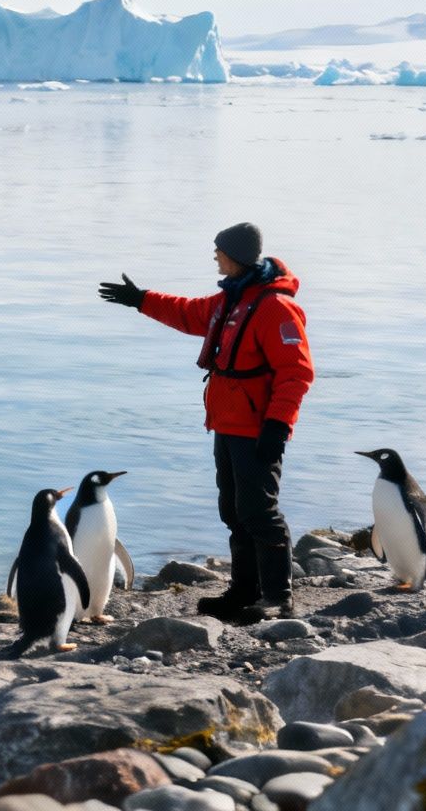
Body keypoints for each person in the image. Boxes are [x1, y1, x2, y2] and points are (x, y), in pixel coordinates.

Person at [98, 223, 314, 621]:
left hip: (257, 429)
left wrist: (278, 426)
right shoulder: (231, 299)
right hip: (227, 424)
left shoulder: (274, 308)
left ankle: (278, 597)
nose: (214, 257)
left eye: (219, 251)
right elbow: (187, 313)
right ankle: (244, 591)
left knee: (259, 512)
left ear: (236, 256)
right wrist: (141, 299)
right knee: (233, 512)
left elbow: (296, 373)